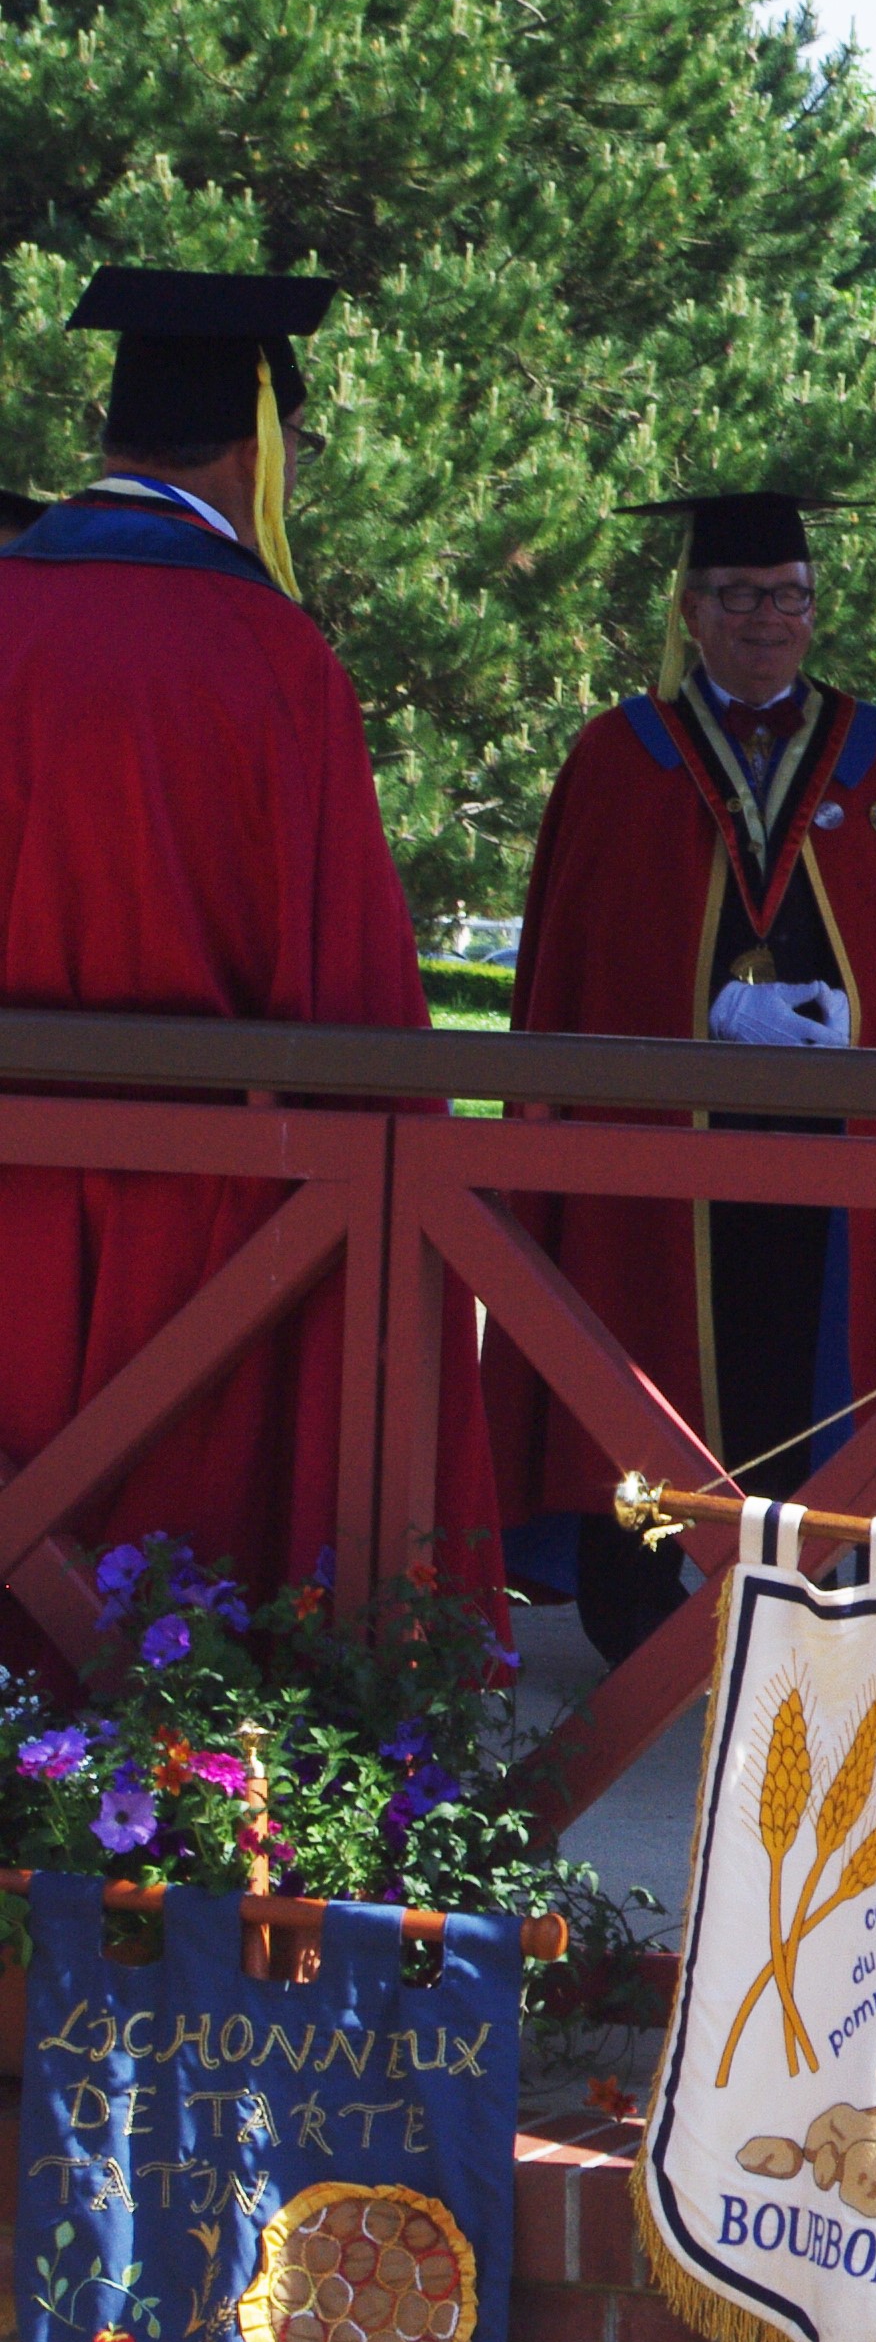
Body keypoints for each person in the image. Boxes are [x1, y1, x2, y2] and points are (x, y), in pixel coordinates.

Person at [0, 267, 494, 1600]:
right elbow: (350, 991)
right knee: (158, 1573)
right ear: (256, 445)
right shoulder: (264, 650)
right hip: (202, 1213)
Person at [484, 492, 876, 1664]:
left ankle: (804, 1601)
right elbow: (580, 966)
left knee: (816, 1359)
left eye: (791, 595)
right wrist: (690, 1006)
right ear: (692, 611)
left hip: (833, 1142)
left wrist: (851, 1014)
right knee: (641, 1345)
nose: (771, 619)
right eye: (743, 596)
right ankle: (639, 1606)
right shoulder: (623, 758)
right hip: (660, 1142)